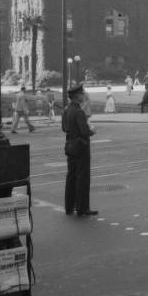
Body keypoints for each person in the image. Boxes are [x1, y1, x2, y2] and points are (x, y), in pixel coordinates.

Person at [62, 84, 97, 217]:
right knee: (82, 177)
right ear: (77, 96)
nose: (84, 95)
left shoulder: (67, 110)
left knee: (71, 176)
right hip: (81, 147)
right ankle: (82, 207)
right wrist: (92, 131)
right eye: (82, 94)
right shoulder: (79, 112)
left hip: (70, 146)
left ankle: (69, 206)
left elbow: (64, 128)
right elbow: (84, 131)